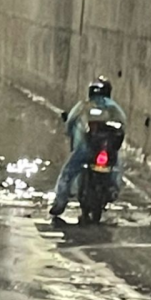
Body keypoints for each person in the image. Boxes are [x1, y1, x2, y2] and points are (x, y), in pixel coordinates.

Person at [50, 77, 127, 216]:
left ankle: (60, 203)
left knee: (68, 173)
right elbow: (123, 125)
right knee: (117, 167)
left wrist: (68, 131)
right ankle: (114, 190)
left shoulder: (84, 105)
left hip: (87, 148)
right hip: (109, 149)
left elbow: (71, 121)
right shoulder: (115, 108)